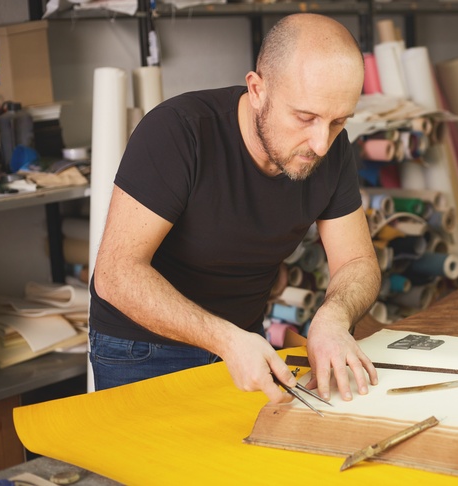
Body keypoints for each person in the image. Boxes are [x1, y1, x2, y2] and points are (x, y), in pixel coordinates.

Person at [88, 13, 381, 405]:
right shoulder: (179, 132)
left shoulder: (331, 148)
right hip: (143, 349)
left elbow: (358, 261)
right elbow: (116, 274)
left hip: (244, 340)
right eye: (305, 117)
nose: (321, 144)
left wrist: (333, 318)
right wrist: (225, 338)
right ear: (257, 90)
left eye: (338, 121)